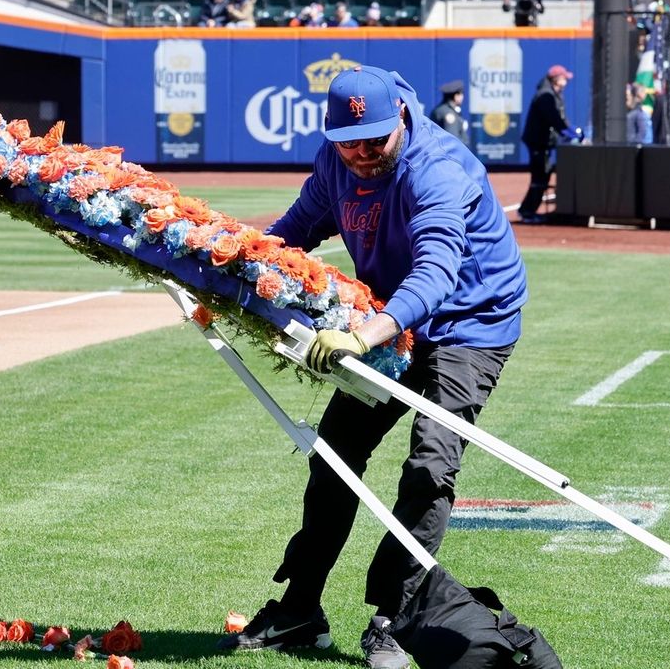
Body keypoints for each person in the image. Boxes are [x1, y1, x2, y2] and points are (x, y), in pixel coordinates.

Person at [218, 64, 530, 669]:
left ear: (402, 123)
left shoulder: (439, 169)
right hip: (390, 318)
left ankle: (395, 615)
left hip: (470, 324)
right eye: (348, 143)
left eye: (374, 141)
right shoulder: (337, 160)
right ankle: (301, 609)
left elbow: (437, 273)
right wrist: (230, 271)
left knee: (429, 466)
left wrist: (363, 337)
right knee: (335, 450)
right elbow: (293, 234)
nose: (360, 154)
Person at [517, 64, 573, 223]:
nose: (566, 82)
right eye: (564, 78)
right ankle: (527, 212)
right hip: (537, 143)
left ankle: (528, 210)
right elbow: (554, 119)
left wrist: (569, 130)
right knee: (539, 177)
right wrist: (567, 132)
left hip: (544, 143)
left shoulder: (554, 94)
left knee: (543, 175)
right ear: (556, 79)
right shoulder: (546, 95)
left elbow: (561, 119)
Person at [430, 79, 470, 147]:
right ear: (456, 96)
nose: (462, 97)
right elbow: (452, 141)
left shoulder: (442, 109)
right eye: (461, 94)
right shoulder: (448, 113)